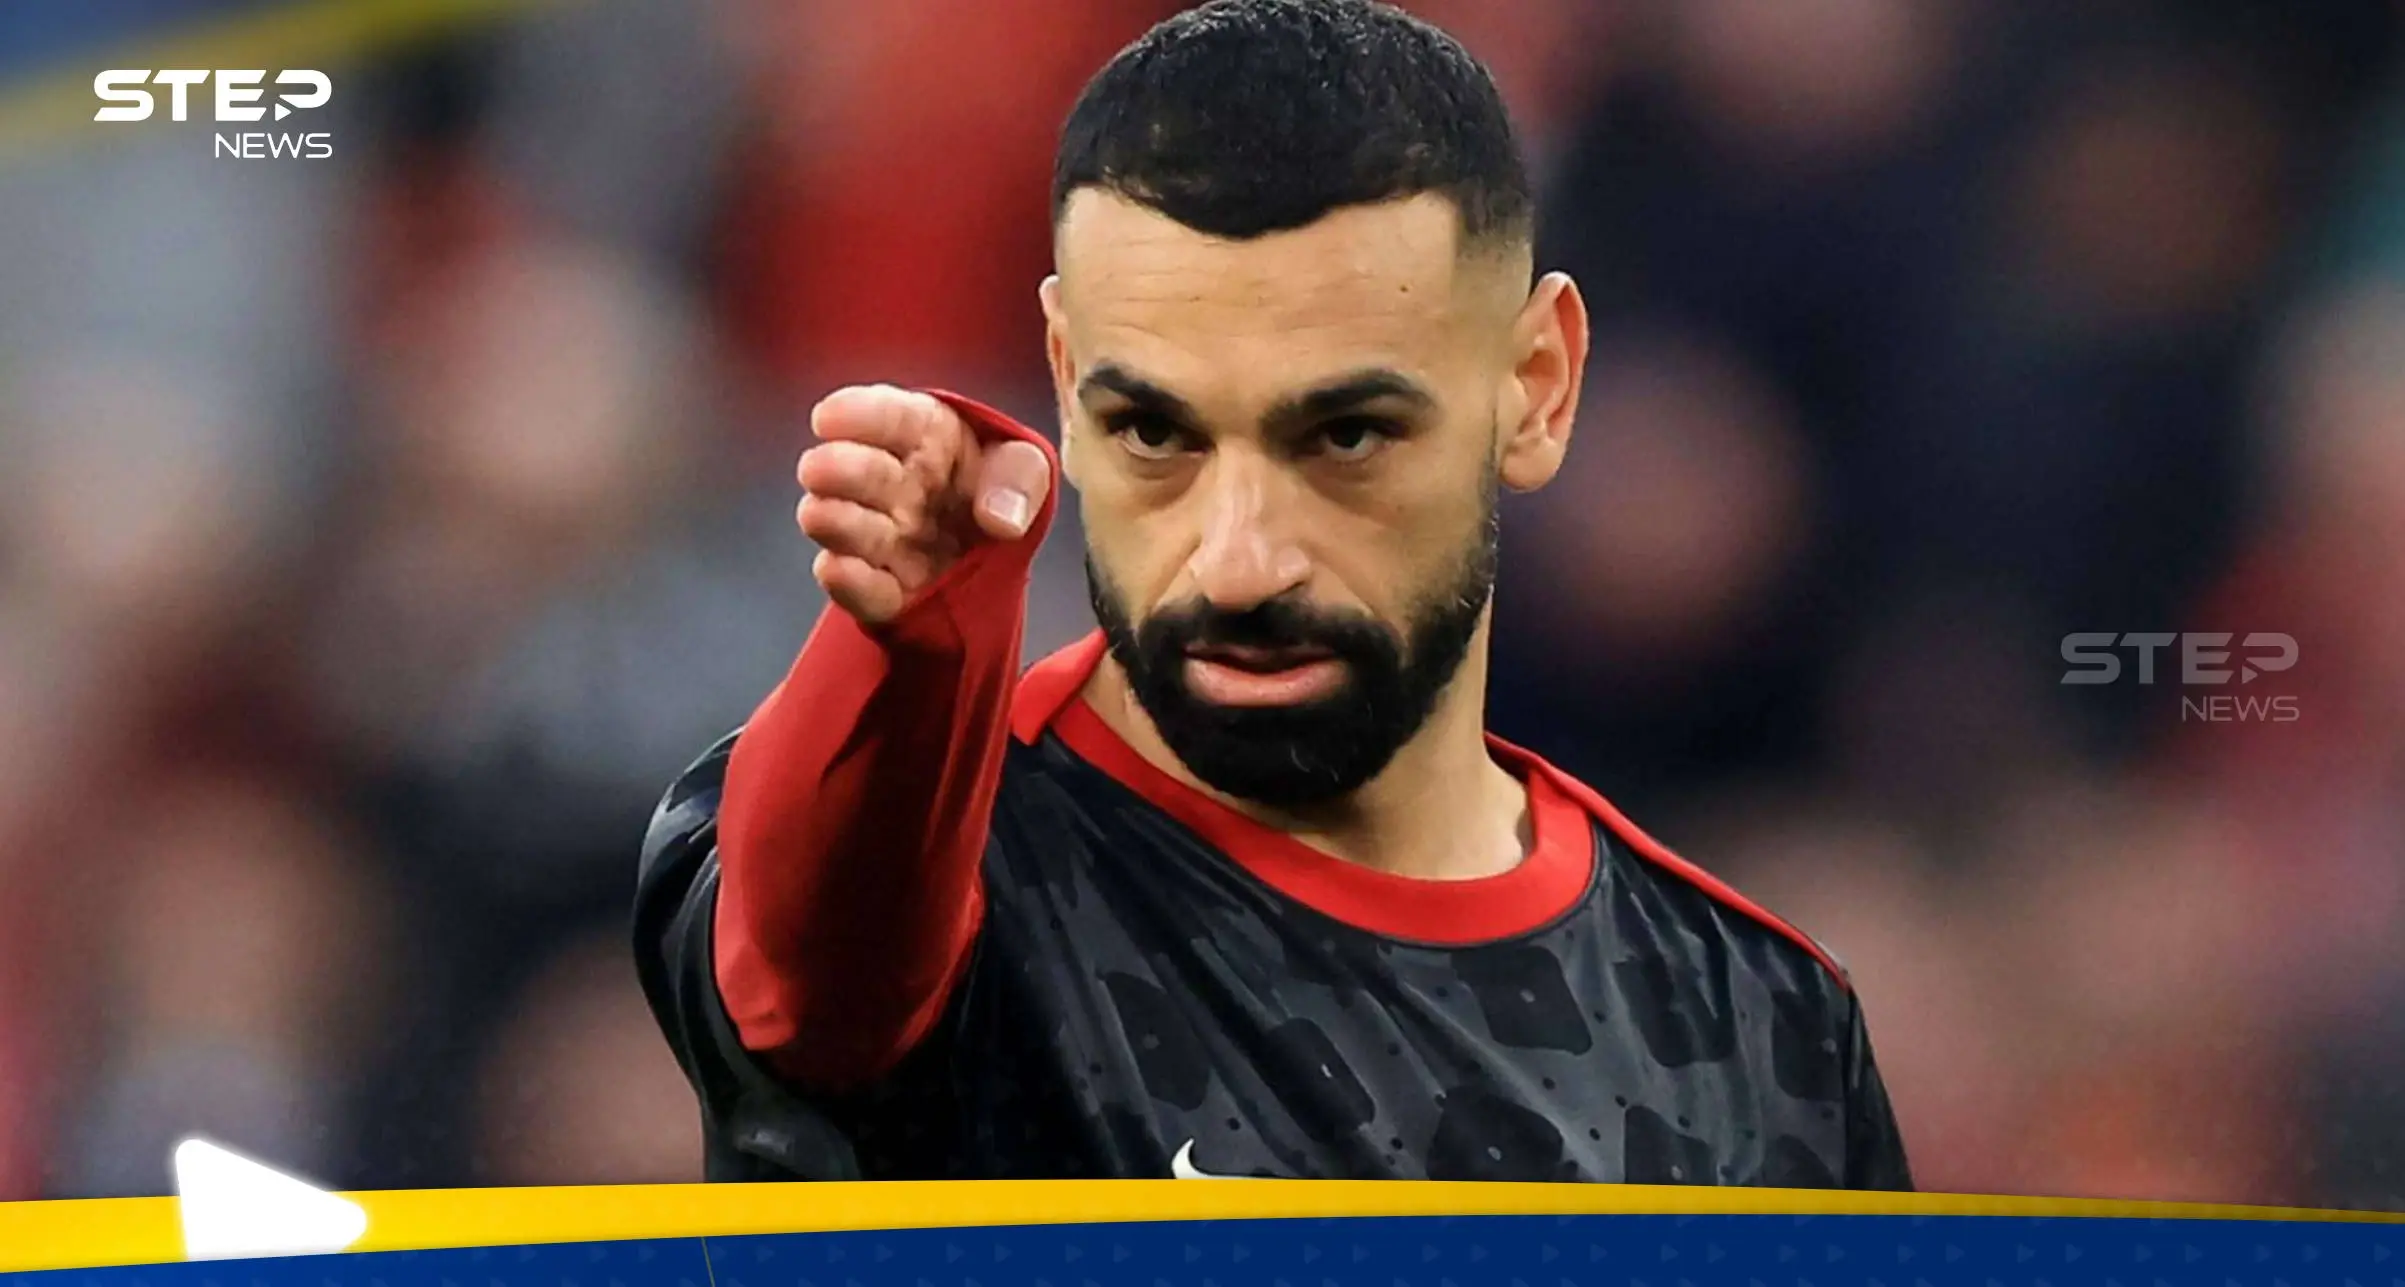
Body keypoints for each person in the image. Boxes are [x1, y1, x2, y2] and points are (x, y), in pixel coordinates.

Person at [634, 0, 1913, 1187]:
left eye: (1345, 437)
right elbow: (806, 979)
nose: (1239, 563)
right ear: (1064, 381)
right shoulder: (949, 872)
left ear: (1536, 387)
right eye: (1153, 433)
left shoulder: (1763, 1030)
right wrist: (916, 645)